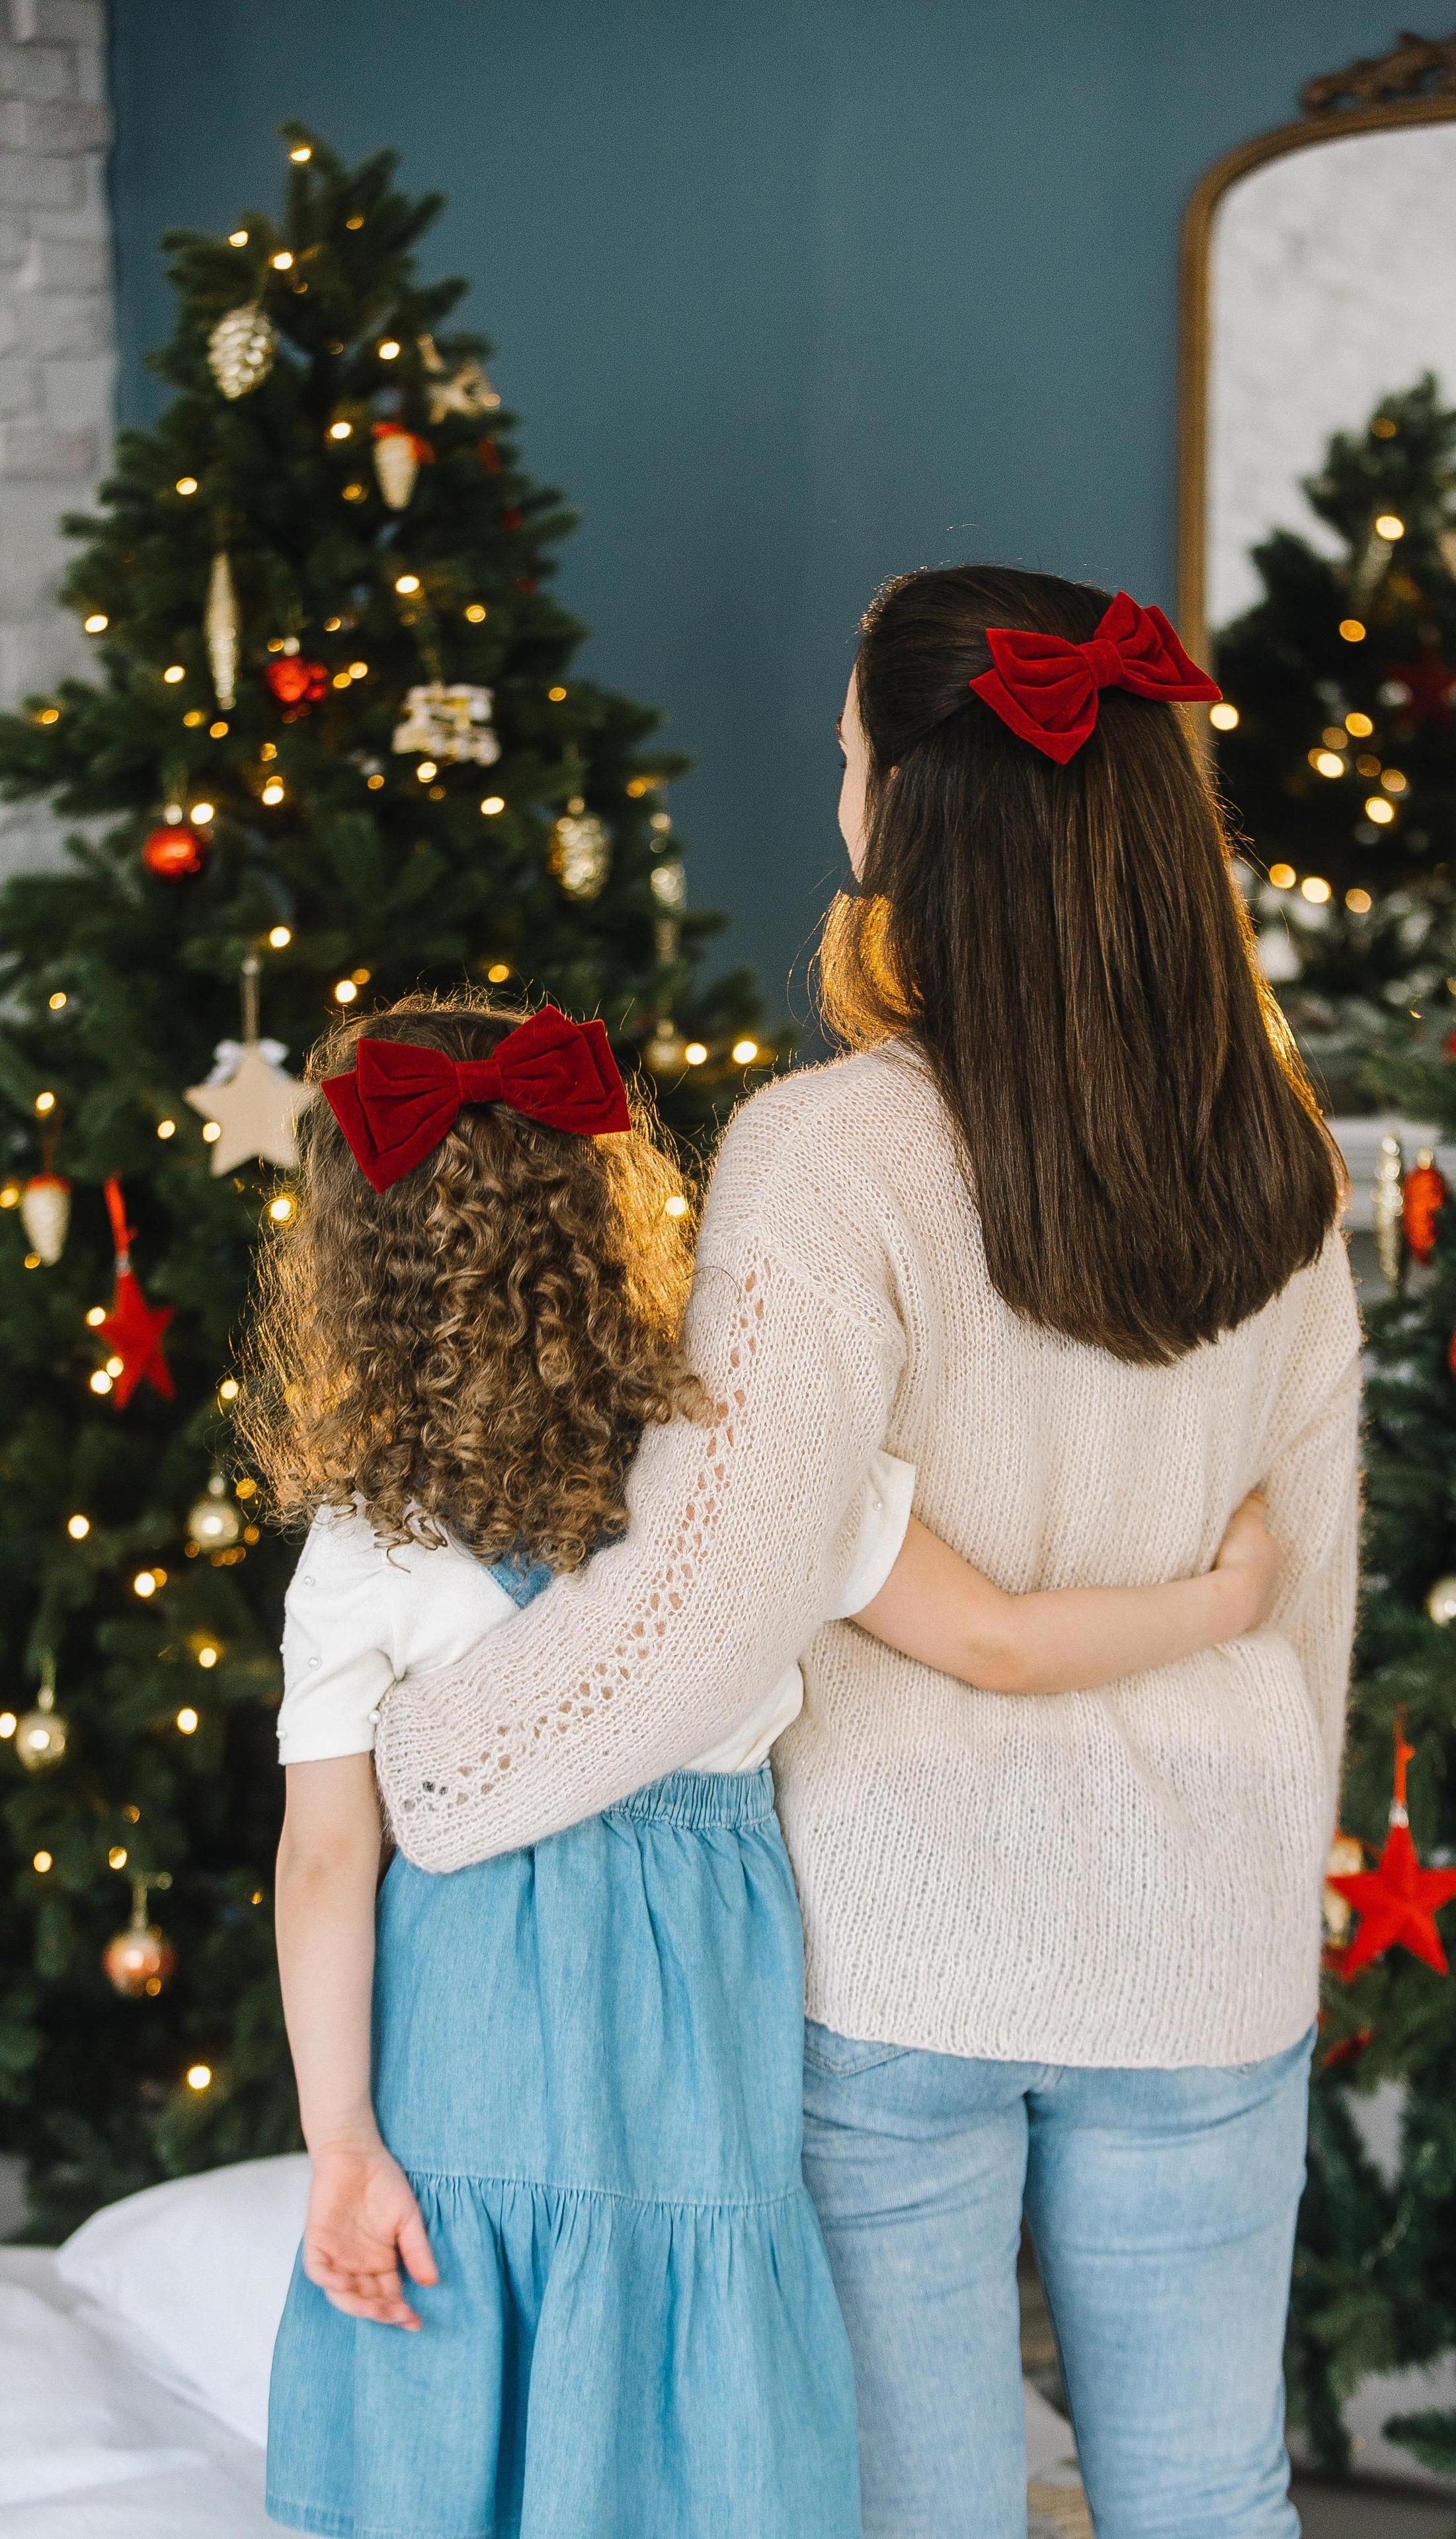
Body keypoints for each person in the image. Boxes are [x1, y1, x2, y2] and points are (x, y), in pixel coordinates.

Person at [372, 568, 1361, 2539]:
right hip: (1210, 1927)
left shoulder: (829, 1151)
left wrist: (437, 1762)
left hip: (900, 1943)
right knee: (1209, 2494)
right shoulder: (1283, 1158)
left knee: (922, 2511)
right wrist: (1282, 1866)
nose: (833, 792)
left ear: (912, 806)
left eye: (846, 756)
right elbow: (1309, 1578)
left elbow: (717, 1583)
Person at [248, 989, 1286, 2539]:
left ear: (356, 1263)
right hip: (696, 2052)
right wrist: (1221, 1604)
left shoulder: (360, 1543)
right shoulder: (746, 1465)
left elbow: (327, 1857)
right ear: (602, 1211)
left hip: (460, 2072)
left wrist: (341, 2142)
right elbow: (996, 1640)